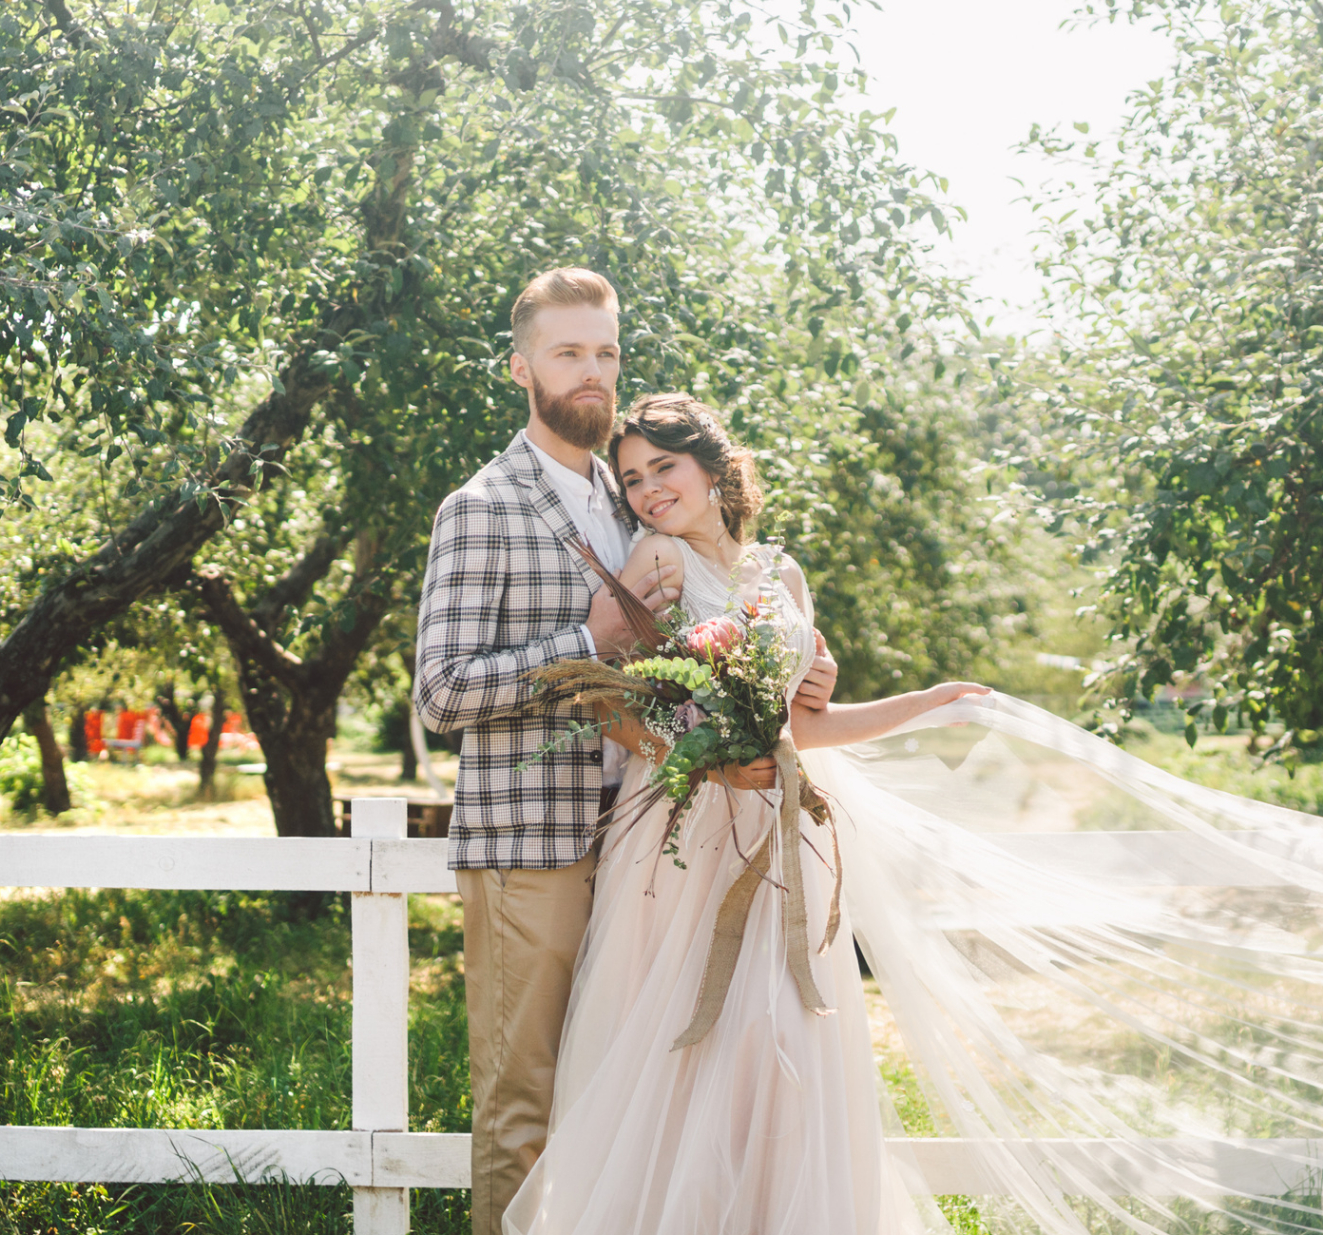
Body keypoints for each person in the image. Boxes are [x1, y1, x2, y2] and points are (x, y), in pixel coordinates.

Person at [411, 269, 840, 1235]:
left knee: (636, 1101)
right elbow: (439, 692)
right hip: (536, 851)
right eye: (569, 352)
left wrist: (801, 664)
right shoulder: (480, 507)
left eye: (606, 351)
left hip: (655, 853)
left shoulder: (635, 493)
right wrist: (585, 645)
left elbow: (721, 619)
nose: (593, 372)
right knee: (527, 1106)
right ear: (523, 368)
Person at [501, 393, 989, 1235]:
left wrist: (927, 701)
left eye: (665, 468)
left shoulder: (782, 575)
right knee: (687, 1049)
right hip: (686, 833)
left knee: (780, 1049)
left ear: (715, 468)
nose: (650, 491)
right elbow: (606, 705)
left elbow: (805, 726)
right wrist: (710, 763)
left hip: (780, 837)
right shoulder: (652, 560)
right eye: (633, 479)